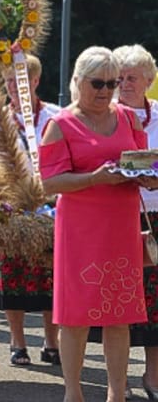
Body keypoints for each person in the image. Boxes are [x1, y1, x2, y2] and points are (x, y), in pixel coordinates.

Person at [40, 46, 150, 402]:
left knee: (120, 316)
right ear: (78, 82)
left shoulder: (130, 119)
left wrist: (148, 177)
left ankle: (116, 394)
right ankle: (74, 393)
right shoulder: (60, 125)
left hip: (121, 226)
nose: (105, 91)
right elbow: (49, 183)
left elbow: (145, 163)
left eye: (111, 83)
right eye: (97, 83)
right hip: (80, 230)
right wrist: (94, 178)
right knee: (76, 316)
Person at [0, 55, 61, 367]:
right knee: (11, 276)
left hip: (51, 205)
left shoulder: (56, 117)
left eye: (23, 82)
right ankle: (17, 341)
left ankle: (51, 341)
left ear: (35, 81)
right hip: (10, 205)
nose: (16, 90)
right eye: (10, 84)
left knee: (52, 276)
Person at [114, 44, 158, 399]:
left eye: (132, 78)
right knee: (119, 298)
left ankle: (153, 376)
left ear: (149, 81)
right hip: (115, 216)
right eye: (120, 78)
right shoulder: (106, 117)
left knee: (156, 302)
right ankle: (119, 379)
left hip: (156, 217)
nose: (125, 84)